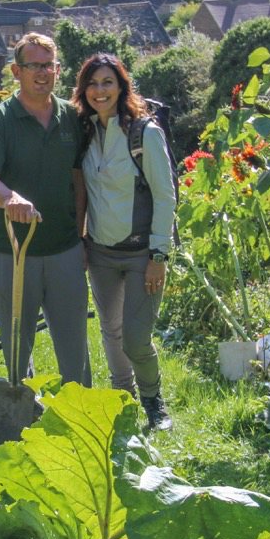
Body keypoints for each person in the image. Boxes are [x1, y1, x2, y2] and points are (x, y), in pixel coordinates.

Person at [0, 32, 91, 387]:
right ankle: (23, 413)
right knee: (17, 343)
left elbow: (80, 180)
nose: (42, 73)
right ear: (16, 70)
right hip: (12, 253)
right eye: (33, 66)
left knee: (74, 346)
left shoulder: (72, 118)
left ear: (58, 70)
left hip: (65, 250)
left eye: (49, 65)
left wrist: (82, 236)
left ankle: (80, 416)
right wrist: (10, 199)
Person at [72, 53, 175, 429]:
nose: (100, 91)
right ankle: (122, 399)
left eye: (108, 82)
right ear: (84, 90)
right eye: (93, 83)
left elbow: (165, 196)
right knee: (111, 331)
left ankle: (154, 402)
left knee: (135, 338)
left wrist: (158, 255)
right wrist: (81, 238)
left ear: (121, 86)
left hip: (141, 254)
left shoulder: (144, 134)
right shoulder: (84, 133)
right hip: (100, 253)